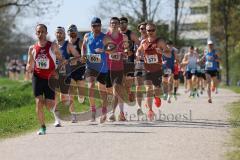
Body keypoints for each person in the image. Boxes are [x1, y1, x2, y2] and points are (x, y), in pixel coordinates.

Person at [26, 24, 62, 135]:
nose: (40, 34)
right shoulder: (32, 48)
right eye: (38, 32)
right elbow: (29, 63)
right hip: (37, 77)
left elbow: (61, 59)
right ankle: (42, 127)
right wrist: (28, 67)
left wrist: (57, 71)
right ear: (36, 33)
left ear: (46, 33)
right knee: (39, 102)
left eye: (43, 32)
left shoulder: (53, 46)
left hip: (50, 78)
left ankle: (56, 112)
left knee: (48, 104)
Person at [81, 17, 110, 123]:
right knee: (91, 85)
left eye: (98, 25)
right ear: (91, 26)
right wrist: (83, 56)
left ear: (100, 26)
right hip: (90, 66)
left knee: (102, 89)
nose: (96, 28)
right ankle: (92, 110)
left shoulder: (105, 37)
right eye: (94, 26)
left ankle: (104, 110)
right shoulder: (87, 36)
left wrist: (104, 50)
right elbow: (83, 47)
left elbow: (113, 49)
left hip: (102, 66)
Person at [136, 23, 164, 121]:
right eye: (148, 30)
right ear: (146, 32)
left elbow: (168, 52)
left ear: (155, 30)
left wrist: (162, 52)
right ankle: (150, 110)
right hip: (147, 69)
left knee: (157, 89)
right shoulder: (143, 41)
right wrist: (138, 54)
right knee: (148, 88)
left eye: (152, 30)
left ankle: (156, 97)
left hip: (157, 69)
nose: (150, 32)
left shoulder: (160, 41)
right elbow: (139, 50)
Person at [54, 26, 80, 125]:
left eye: (60, 32)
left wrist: (68, 61)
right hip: (55, 74)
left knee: (64, 97)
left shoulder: (68, 45)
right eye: (57, 32)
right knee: (54, 95)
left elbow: (77, 56)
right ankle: (57, 118)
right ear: (55, 34)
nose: (59, 34)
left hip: (65, 74)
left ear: (64, 34)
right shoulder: (52, 45)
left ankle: (71, 113)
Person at [106, 17, 129, 121]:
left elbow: (126, 49)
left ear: (119, 25)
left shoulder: (123, 37)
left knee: (117, 89)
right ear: (110, 24)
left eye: (116, 23)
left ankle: (115, 113)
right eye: (112, 23)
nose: (114, 24)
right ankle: (119, 113)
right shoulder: (106, 36)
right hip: (107, 67)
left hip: (118, 67)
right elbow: (103, 50)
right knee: (110, 91)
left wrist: (124, 53)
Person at [119, 17, 140, 102]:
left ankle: (130, 92)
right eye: (120, 22)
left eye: (124, 22)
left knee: (127, 83)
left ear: (127, 24)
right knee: (119, 81)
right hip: (118, 60)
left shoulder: (131, 34)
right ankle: (121, 97)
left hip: (129, 60)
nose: (122, 24)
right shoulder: (116, 34)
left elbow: (139, 45)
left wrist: (137, 55)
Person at [67, 24, 86, 106]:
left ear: (76, 32)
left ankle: (81, 96)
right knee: (70, 91)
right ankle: (71, 113)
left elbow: (84, 57)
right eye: (70, 31)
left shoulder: (80, 42)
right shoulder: (66, 44)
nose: (72, 32)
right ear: (68, 33)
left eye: (74, 31)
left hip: (80, 69)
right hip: (70, 70)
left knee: (81, 92)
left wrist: (76, 60)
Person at [135, 22, 147, 116]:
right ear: (139, 30)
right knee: (138, 86)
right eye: (141, 28)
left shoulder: (151, 40)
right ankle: (139, 107)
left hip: (149, 65)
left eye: (144, 28)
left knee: (148, 85)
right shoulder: (136, 41)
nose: (143, 30)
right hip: (139, 65)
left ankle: (148, 99)